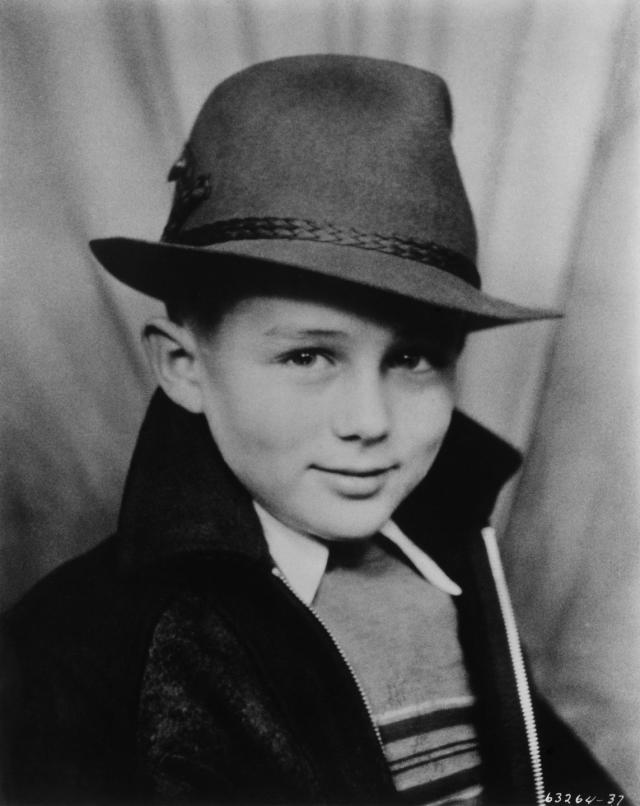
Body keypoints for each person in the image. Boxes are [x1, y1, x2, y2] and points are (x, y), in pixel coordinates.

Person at [1, 55, 624, 805]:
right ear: (183, 366)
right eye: (307, 355)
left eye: (413, 357)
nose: (369, 422)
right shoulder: (72, 653)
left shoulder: (447, 563)